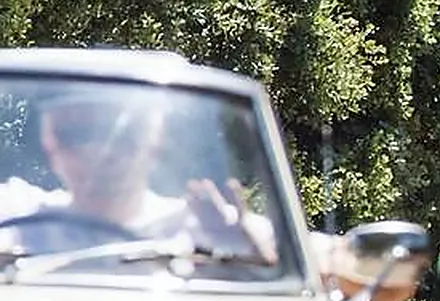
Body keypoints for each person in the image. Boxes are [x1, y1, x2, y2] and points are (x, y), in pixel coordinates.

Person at [0, 88, 274, 261]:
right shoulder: (16, 214)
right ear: (50, 143)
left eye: (122, 133)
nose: (101, 151)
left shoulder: (205, 226)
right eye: (77, 134)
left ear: (154, 139)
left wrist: (242, 251)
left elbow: (305, 258)